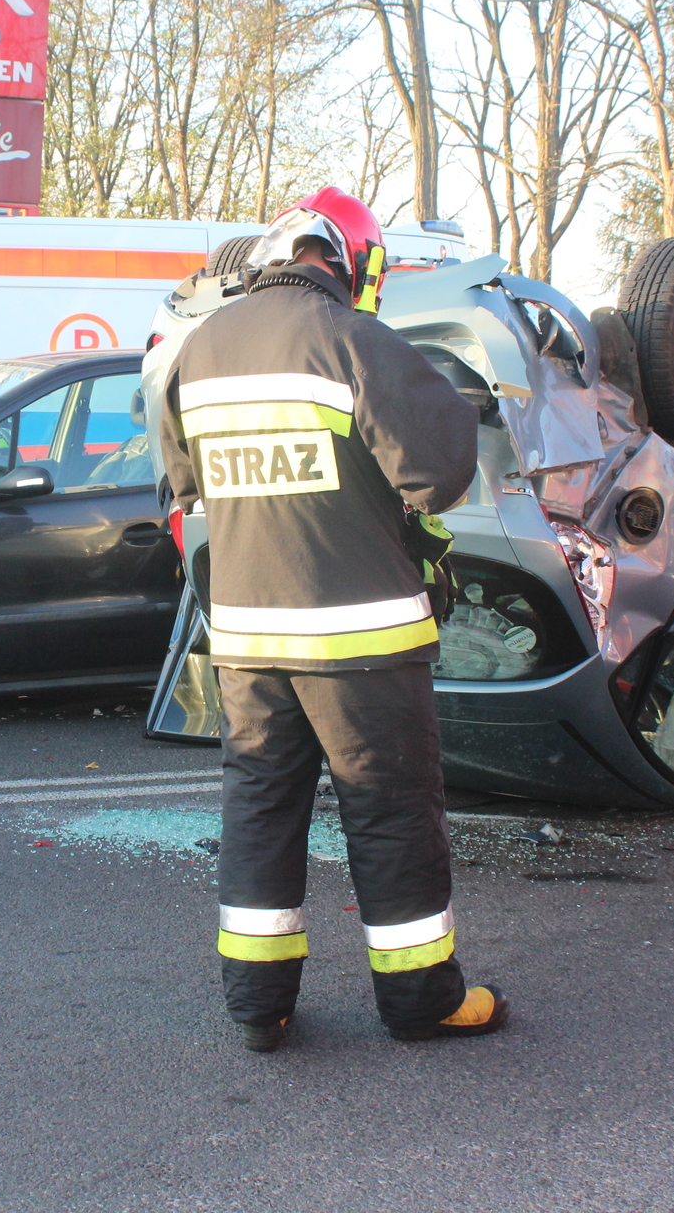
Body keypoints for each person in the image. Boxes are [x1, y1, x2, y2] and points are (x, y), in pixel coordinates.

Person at [157, 186, 508, 1052]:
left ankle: (258, 1005)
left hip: (245, 641)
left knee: (260, 810)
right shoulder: (353, 340)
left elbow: (183, 483)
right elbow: (439, 473)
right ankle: (421, 1001)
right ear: (351, 262)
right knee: (389, 815)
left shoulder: (197, 352)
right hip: (363, 642)